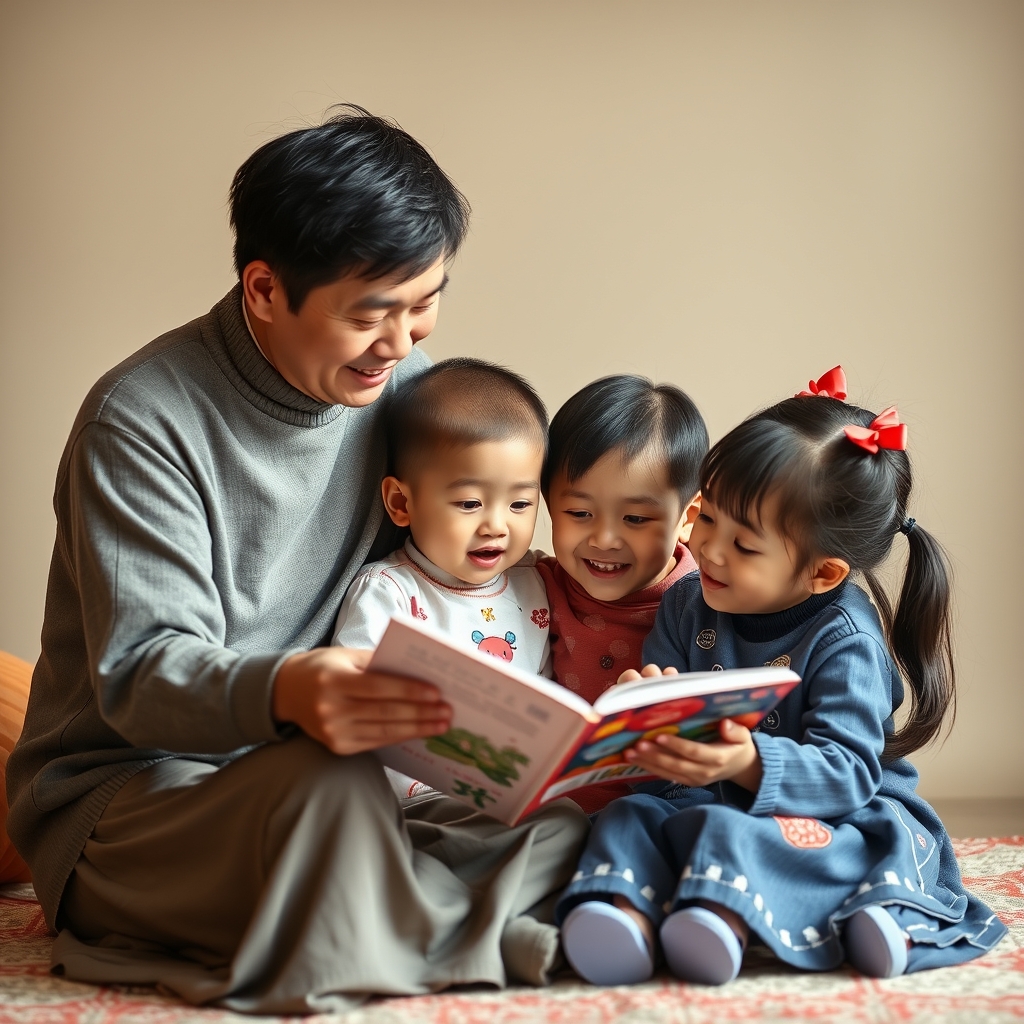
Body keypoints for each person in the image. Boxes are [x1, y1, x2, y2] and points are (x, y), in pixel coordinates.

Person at [5, 106, 588, 1014]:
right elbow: (141, 677)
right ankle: (463, 931)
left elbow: (490, 533)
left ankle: (407, 922)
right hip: (139, 801)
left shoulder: (409, 394)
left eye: (426, 303)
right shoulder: (143, 422)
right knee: (333, 790)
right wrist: (293, 690)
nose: (402, 344)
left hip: (343, 776)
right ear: (265, 289)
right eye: (371, 314)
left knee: (573, 820)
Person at [555, 367, 1007, 986]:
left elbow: (848, 772)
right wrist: (646, 708)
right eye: (707, 518)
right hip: (704, 796)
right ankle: (622, 914)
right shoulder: (688, 602)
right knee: (628, 818)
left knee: (823, 841)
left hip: (825, 808)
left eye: (744, 546)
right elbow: (669, 735)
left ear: (822, 574)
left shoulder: (844, 639)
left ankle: (745, 918)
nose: (708, 549)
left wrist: (746, 763)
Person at [332, 357, 554, 796]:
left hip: (516, 791)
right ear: (401, 503)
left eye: (520, 504)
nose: (496, 526)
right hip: (420, 800)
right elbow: (352, 703)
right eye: (470, 504)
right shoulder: (389, 592)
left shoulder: (537, 580)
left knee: (566, 824)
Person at [537, 375, 707, 812]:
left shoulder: (711, 607)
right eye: (578, 512)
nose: (606, 539)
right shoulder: (536, 586)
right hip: (544, 811)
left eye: (635, 519)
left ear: (687, 517)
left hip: (658, 818)